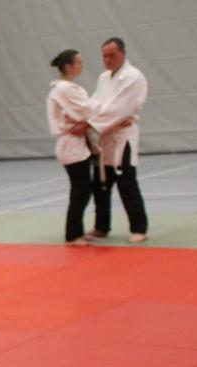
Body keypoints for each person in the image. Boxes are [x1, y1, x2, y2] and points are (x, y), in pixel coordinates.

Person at [81, 38, 150, 244]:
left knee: (126, 183)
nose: (108, 60)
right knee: (100, 185)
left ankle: (139, 228)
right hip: (104, 137)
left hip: (122, 137)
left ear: (123, 53)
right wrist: (84, 116)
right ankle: (101, 227)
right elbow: (95, 103)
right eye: (104, 56)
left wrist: (91, 123)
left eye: (112, 55)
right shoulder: (104, 77)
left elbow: (119, 108)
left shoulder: (133, 76)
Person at [47, 49, 100, 245]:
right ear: (68, 66)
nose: (81, 65)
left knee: (82, 189)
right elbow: (88, 110)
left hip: (75, 143)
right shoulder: (65, 89)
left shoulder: (65, 89)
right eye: (78, 62)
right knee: (80, 190)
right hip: (71, 144)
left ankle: (77, 230)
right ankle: (72, 235)